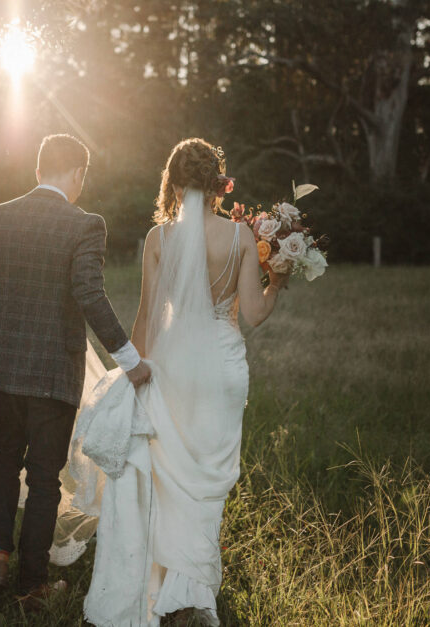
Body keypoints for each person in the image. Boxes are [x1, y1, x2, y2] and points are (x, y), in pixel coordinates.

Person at [75, 138, 288, 626]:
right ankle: (191, 589)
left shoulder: (158, 239)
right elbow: (253, 314)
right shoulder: (239, 238)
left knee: (170, 480)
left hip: (170, 366)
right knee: (207, 481)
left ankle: (174, 585)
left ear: (172, 181)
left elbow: (148, 316)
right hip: (222, 367)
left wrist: (131, 372)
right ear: (219, 183)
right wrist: (279, 280)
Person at [0, 134, 152, 609]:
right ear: (78, 174)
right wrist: (130, 360)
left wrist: (9, 310)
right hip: (52, 367)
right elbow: (89, 293)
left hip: (0, 361)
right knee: (45, 474)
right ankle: (33, 584)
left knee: (4, 457)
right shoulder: (85, 224)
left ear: (38, 168)